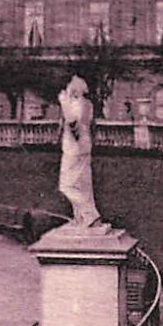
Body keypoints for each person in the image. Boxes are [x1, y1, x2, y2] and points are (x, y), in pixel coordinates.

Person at [57, 76, 102, 228]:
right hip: (84, 147)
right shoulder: (88, 104)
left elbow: (73, 124)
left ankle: (90, 215)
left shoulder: (74, 104)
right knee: (83, 185)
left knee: (66, 186)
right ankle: (81, 219)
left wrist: (64, 103)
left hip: (73, 150)